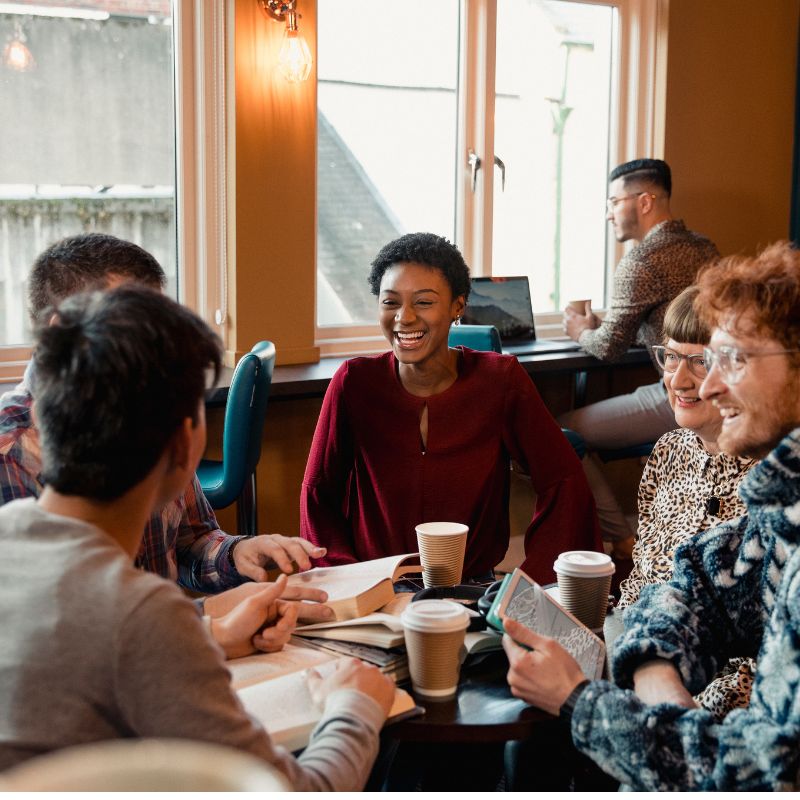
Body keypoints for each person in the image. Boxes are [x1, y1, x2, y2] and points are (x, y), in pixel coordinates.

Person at [0, 285, 395, 790]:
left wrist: (209, 630)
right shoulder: (141, 617)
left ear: (40, 420)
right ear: (186, 444)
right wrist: (356, 706)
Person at [503, 241, 800, 790]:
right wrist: (650, 672)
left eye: (729, 359)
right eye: (676, 357)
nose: (703, 384)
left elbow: (760, 775)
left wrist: (584, 702)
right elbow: (697, 586)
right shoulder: (781, 502)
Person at [0, 233, 328, 598]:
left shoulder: (154, 410)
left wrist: (236, 555)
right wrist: (209, 626)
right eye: (136, 323)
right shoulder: (11, 452)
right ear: (62, 330)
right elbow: (62, 624)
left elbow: (191, 540)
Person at [300, 232, 601, 586]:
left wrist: (532, 584)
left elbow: (563, 482)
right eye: (390, 302)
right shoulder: (353, 382)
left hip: (471, 586)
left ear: (458, 306)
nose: (404, 317)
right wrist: (346, 579)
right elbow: (317, 493)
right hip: (375, 587)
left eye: (424, 302)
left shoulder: (500, 380)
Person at [612, 285, 757, 718]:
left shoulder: (771, 480)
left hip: (716, 703)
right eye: (671, 356)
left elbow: (760, 660)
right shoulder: (669, 451)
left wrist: (681, 711)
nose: (678, 379)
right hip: (642, 655)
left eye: (701, 360)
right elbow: (641, 578)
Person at [559, 158, 719, 546]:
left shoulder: (641, 260)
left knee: (560, 434)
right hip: (718, 385)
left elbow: (608, 347)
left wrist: (582, 330)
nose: (609, 214)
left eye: (614, 201)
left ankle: (623, 539)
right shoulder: (703, 247)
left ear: (644, 201)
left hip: (681, 391)